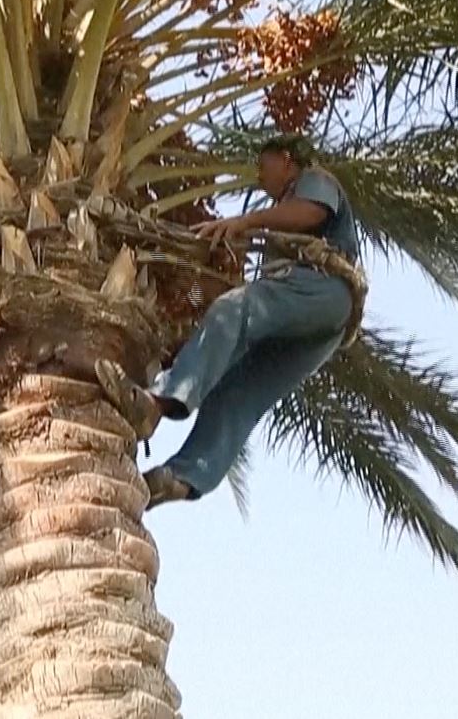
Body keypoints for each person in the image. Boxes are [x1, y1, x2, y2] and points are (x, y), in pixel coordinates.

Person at [97, 137, 363, 509]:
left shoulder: (314, 180)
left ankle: (156, 404)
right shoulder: (283, 212)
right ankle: (178, 479)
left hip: (321, 290)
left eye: (263, 165)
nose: (259, 175)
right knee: (237, 391)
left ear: (286, 160)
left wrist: (246, 221)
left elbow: (311, 213)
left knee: (233, 309)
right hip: (321, 326)